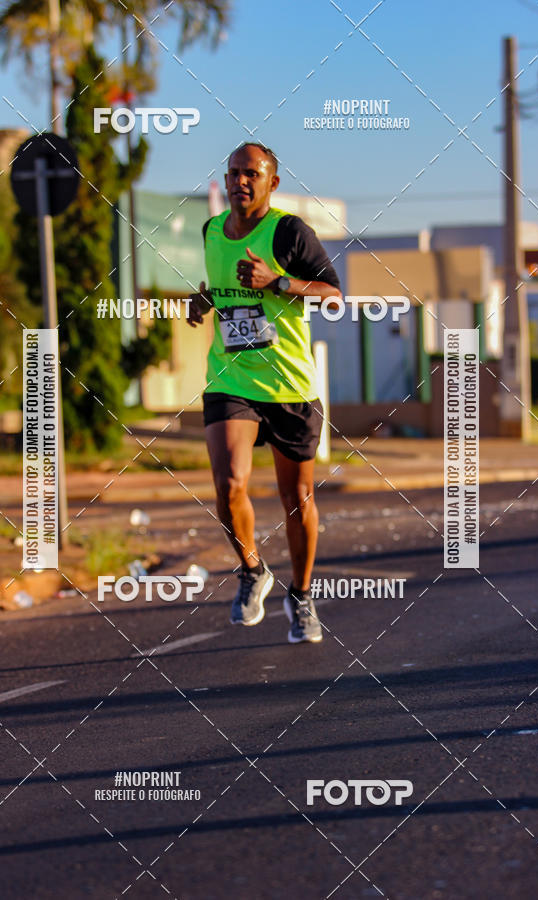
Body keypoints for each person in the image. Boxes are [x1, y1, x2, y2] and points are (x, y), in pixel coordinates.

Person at [187, 142, 342, 643]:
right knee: (230, 481)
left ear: (271, 182)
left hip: (289, 384)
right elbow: (223, 286)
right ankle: (252, 570)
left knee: (296, 498)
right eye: (233, 172)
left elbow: (333, 295)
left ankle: (300, 594)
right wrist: (203, 300)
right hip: (231, 378)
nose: (240, 181)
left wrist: (278, 282)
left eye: (251, 173)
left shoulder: (290, 231)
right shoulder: (212, 230)